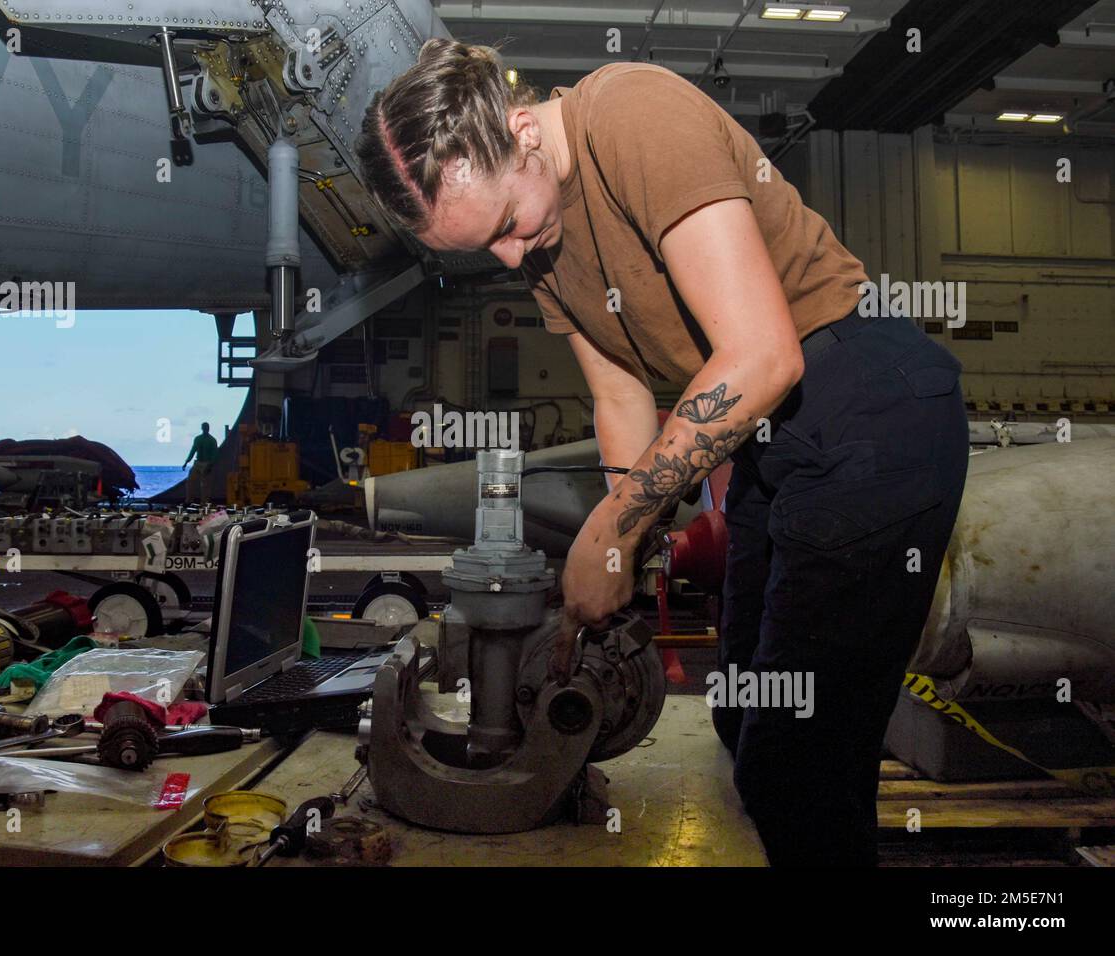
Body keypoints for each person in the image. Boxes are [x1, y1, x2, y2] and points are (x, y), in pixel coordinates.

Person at [355, 40, 968, 866]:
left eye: (504, 225)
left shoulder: (632, 112)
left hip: (867, 405)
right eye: (484, 250)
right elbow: (620, 396)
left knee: (799, 764)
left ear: (521, 130)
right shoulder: (544, 240)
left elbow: (760, 356)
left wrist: (612, 525)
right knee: (739, 714)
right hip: (775, 439)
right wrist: (632, 550)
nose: (509, 254)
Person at [183, 422, 218, 506]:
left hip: (207, 463)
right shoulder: (198, 439)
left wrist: (210, 465)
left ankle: (204, 502)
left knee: (205, 485)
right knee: (190, 481)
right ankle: (189, 500)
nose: (206, 429)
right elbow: (193, 450)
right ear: (202, 428)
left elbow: (215, 454)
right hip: (198, 462)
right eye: (205, 427)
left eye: (207, 427)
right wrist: (186, 462)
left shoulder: (212, 440)